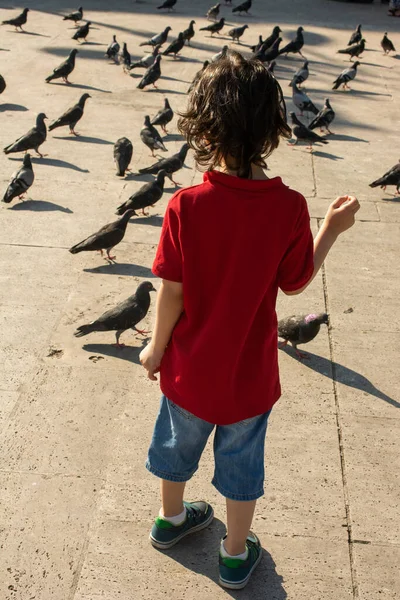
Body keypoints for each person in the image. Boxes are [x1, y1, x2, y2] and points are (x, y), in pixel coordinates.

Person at [139, 51, 360, 590]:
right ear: (272, 130)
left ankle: (171, 522)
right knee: (241, 465)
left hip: (190, 370)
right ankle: (235, 554)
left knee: (175, 446)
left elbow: (172, 292)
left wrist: (154, 346)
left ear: (203, 127)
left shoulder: (186, 205)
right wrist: (328, 227)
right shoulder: (286, 206)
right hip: (249, 377)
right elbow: (295, 281)